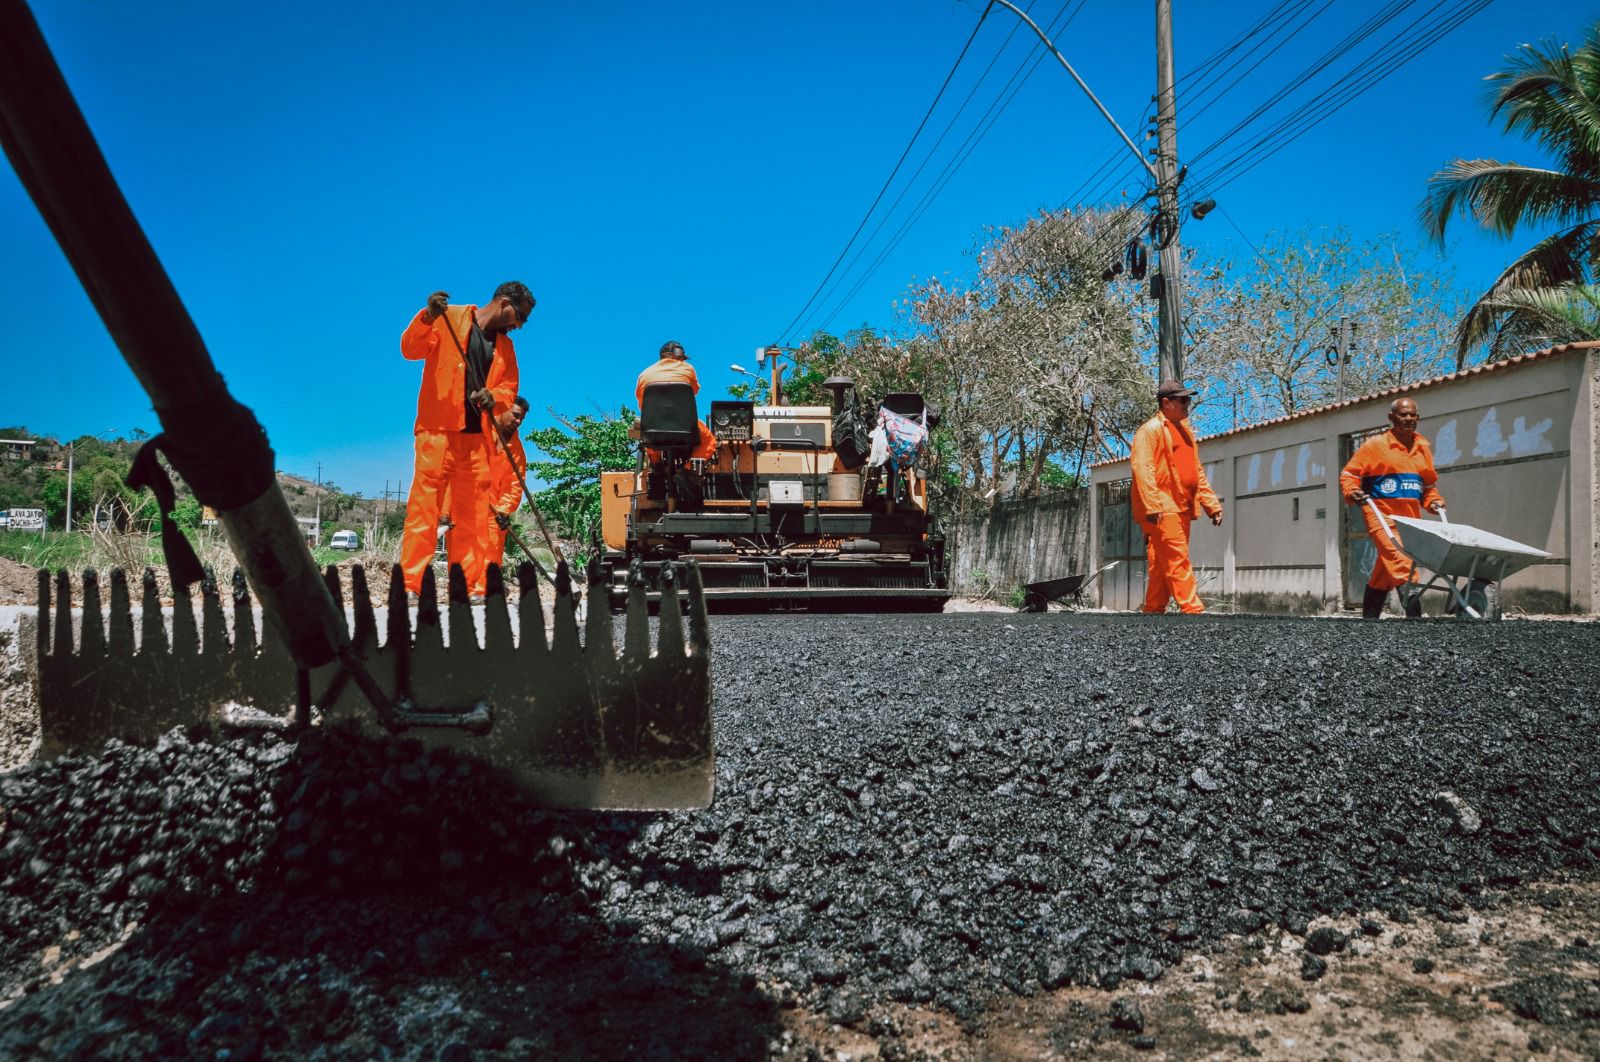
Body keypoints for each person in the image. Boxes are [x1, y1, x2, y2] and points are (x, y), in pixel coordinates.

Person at [399, 282, 533, 598]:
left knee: (473, 517)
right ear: (504, 302)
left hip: (476, 439)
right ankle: (410, 585)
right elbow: (411, 350)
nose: (519, 325)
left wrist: (493, 397)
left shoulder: (506, 348)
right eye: (520, 316)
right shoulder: (448, 317)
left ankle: (470, 587)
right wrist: (427, 317)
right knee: (425, 510)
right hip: (437, 432)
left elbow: (509, 389)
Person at [1340, 396, 1444, 619]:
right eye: (1403, 414)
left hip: (1410, 521)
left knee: (1385, 571)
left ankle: (1369, 622)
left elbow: (1427, 485)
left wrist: (1433, 501)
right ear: (1391, 417)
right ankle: (1415, 620)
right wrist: (1352, 490)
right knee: (1402, 562)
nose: (1408, 418)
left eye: (1412, 415)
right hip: (1381, 516)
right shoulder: (1375, 445)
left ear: (1418, 417)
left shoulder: (1423, 448)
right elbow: (1350, 474)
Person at [1130, 378, 1224, 614]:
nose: (1187, 405)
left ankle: (1153, 610)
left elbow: (1196, 471)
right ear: (1166, 403)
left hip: (1181, 506)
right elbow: (1143, 469)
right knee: (1176, 557)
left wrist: (1211, 504)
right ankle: (1193, 610)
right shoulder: (1149, 430)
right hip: (1162, 508)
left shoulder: (1185, 432)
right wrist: (1153, 505)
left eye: (1188, 400)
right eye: (1183, 400)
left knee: (1161, 562)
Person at [635, 340, 716, 508]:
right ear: (679, 355)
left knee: (646, 434)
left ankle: (656, 466)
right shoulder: (687, 369)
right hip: (685, 428)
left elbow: (642, 405)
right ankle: (686, 472)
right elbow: (694, 390)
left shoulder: (644, 375)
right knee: (709, 440)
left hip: (654, 430)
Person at [485, 396, 530, 569]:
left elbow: (514, 486)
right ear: (502, 410)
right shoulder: (481, 431)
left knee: (491, 560)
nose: (518, 422)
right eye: (516, 415)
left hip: (494, 513)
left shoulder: (517, 452)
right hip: (468, 506)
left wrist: (504, 511)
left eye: (522, 419)